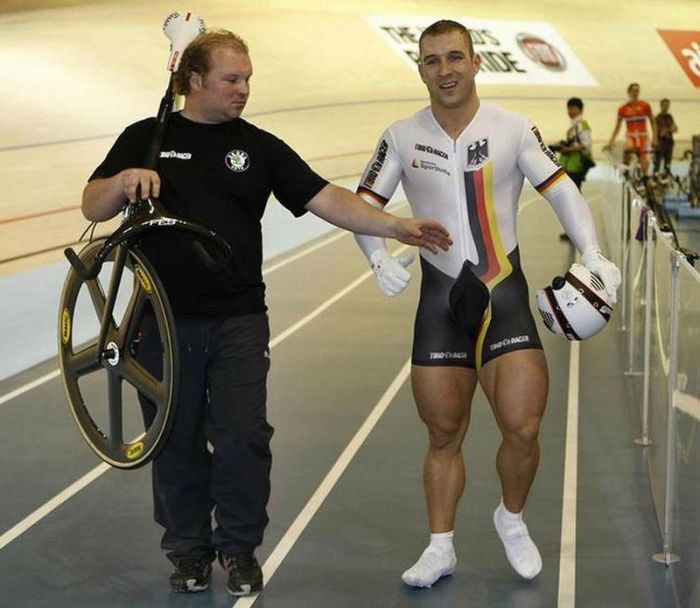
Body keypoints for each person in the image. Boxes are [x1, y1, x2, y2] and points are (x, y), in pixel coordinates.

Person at [81, 29, 451, 596]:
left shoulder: (256, 146)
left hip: (237, 320)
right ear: (195, 80)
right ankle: (187, 551)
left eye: (248, 78)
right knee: (174, 439)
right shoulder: (146, 137)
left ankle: (239, 548)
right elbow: (92, 204)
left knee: (243, 436)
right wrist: (124, 181)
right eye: (232, 79)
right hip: (160, 322)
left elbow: (325, 196)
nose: (243, 89)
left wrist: (395, 225)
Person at [354, 20, 620, 587]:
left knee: (523, 429)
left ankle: (512, 517)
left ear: (476, 63)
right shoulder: (401, 135)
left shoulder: (513, 128)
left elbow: (561, 188)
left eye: (455, 58)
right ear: (421, 69)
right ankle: (440, 546)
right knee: (443, 435)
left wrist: (592, 253)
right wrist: (376, 256)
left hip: (506, 298)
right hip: (439, 306)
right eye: (432, 61)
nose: (445, 69)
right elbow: (364, 205)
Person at [603, 82, 657, 175]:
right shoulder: (623, 109)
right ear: (629, 92)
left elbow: (653, 122)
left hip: (643, 136)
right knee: (629, 148)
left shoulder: (645, 105)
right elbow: (617, 127)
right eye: (633, 91)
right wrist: (611, 142)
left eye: (637, 91)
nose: (636, 93)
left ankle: (644, 178)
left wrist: (655, 138)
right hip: (631, 136)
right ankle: (626, 168)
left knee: (645, 161)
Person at [555, 97, 593, 192]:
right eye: (569, 108)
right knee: (572, 192)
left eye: (573, 108)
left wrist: (568, 149)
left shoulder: (581, 124)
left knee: (573, 192)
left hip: (576, 165)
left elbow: (587, 144)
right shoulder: (575, 125)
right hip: (571, 165)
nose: (570, 111)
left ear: (580, 110)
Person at [653, 98, 677, 175]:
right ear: (661, 106)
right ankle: (655, 177)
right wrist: (670, 129)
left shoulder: (670, 116)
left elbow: (675, 128)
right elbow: (661, 133)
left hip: (669, 142)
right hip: (660, 143)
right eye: (665, 105)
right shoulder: (657, 118)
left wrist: (667, 130)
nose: (666, 107)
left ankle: (666, 176)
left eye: (667, 105)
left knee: (668, 163)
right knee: (657, 163)